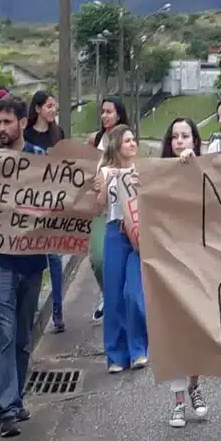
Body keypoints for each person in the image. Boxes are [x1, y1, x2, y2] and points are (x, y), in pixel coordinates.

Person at [0, 96, 48, 437]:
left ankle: (17, 396)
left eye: (8, 122)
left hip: (32, 261)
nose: (2, 128)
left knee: (22, 335)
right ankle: (6, 407)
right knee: (5, 333)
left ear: (22, 123)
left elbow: (62, 200)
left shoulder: (40, 162)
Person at [160, 117, 209, 427]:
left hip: (199, 263)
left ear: (195, 141)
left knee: (197, 332)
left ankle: (194, 385)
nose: (180, 141)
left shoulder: (205, 170)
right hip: (167, 263)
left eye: (185, 136)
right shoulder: (157, 174)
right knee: (174, 333)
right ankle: (178, 401)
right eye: (175, 136)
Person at [94, 124, 148, 373]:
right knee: (113, 295)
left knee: (133, 293)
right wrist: (108, 180)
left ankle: (139, 349)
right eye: (127, 140)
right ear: (117, 145)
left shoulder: (142, 170)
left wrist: (141, 184)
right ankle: (116, 355)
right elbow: (99, 205)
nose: (132, 143)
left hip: (137, 233)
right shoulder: (105, 170)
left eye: (134, 140)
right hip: (115, 231)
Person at [25, 91, 66, 332]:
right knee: (35, 258)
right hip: (30, 203)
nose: (53, 110)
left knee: (55, 258)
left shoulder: (58, 134)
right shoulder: (26, 134)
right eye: (49, 106)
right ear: (38, 108)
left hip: (53, 203)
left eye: (55, 107)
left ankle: (58, 312)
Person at [87, 98, 130, 324]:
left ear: (119, 115)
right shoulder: (95, 140)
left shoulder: (125, 139)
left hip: (121, 209)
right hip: (99, 208)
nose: (105, 116)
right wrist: (92, 182)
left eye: (109, 112)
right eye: (102, 112)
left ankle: (118, 300)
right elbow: (83, 165)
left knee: (119, 259)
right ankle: (107, 293)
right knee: (96, 258)